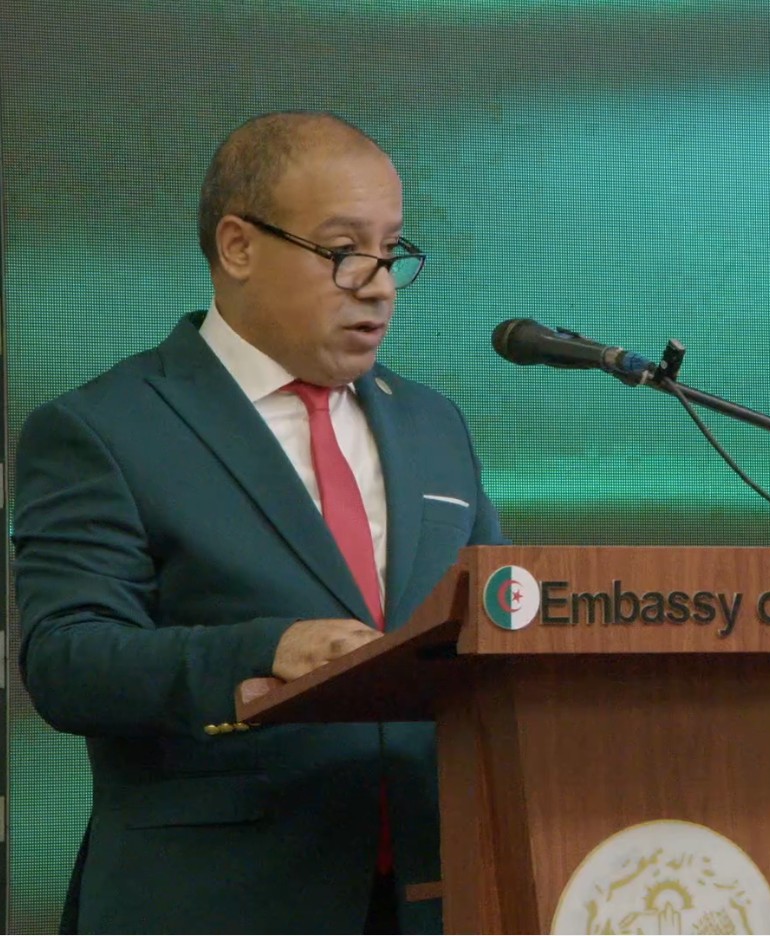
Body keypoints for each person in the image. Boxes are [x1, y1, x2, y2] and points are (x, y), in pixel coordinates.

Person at [14, 111, 506, 934]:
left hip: (438, 899)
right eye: (344, 251)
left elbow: (496, 621)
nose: (379, 285)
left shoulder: (433, 424)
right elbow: (66, 659)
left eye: (391, 252)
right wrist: (265, 651)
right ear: (238, 246)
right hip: (220, 903)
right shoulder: (103, 428)